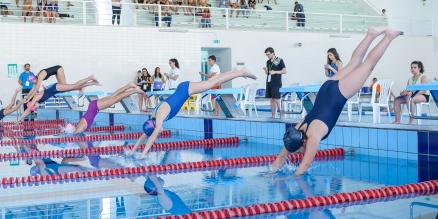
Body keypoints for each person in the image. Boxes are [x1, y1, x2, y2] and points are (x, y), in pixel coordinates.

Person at [272, 27, 404, 175]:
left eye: (298, 151)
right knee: (354, 62)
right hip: (325, 89)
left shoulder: (313, 136)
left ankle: (389, 36)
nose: (299, 154)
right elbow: (282, 156)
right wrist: (270, 174)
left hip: (337, 94)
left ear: (303, 142)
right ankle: (371, 33)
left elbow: (304, 166)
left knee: (368, 65)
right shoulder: (297, 129)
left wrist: (286, 179)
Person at [129, 67, 257, 158]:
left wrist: (143, 154)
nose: (160, 130)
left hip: (186, 89)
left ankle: (241, 72)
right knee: (211, 82)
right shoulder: (153, 117)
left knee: (214, 82)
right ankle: (233, 71)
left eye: (157, 129)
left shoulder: (160, 115)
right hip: (183, 88)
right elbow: (145, 135)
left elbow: (153, 136)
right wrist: (132, 152)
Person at [62, 82, 145, 134]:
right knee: (114, 97)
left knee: (116, 99)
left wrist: (67, 133)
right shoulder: (80, 126)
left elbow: (76, 133)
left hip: (95, 107)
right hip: (94, 106)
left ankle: (135, 90)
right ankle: (129, 85)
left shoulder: (80, 126)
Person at [18, 75, 102, 121]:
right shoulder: (38, 101)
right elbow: (29, 108)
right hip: (56, 90)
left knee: (75, 85)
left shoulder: (36, 97)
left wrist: (20, 119)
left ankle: (90, 78)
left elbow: (28, 109)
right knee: (74, 87)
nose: (36, 107)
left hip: (56, 88)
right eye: (35, 108)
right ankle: (92, 83)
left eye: (34, 107)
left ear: (33, 103)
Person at [22, 65, 94, 105]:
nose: (33, 84)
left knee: (65, 87)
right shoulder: (36, 79)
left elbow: (35, 90)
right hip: (56, 72)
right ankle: (80, 88)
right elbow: (32, 89)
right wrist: (27, 97)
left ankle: (82, 86)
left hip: (58, 69)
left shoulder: (40, 77)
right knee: (64, 88)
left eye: (33, 82)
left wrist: (28, 99)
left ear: (34, 79)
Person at [264, 47, 287, 118]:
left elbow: (284, 71)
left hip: (276, 82)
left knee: (277, 99)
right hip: (269, 82)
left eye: (268, 54)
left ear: (272, 53)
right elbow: (269, 73)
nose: (268, 56)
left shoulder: (279, 60)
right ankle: (273, 115)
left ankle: (282, 113)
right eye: (266, 55)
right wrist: (266, 70)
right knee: (271, 100)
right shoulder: (268, 62)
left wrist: (275, 72)